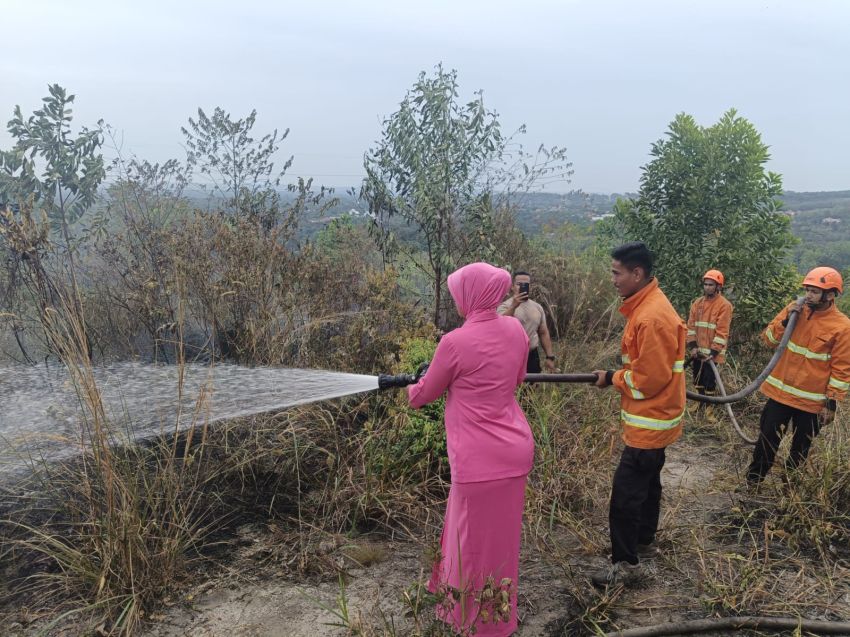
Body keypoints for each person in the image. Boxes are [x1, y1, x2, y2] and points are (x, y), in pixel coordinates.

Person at [408, 262, 534, 636]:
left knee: (470, 542)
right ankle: (489, 614)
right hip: (514, 453)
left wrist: (414, 384)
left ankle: (473, 622)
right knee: (498, 543)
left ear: (470, 295)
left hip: (477, 461)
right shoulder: (514, 329)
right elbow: (518, 378)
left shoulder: (454, 342)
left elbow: (421, 396)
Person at [590, 242, 686, 588]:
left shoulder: (651, 317)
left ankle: (625, 563)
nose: (612, 279)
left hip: (650, 422)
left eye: (616, 273)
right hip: (656, 420)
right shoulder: (646, 307)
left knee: (625, 497)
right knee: (648, 485)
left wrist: (613, 378)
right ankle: (644, 539)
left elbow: (649, 380)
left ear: (637, 273)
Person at [746, 267, 850, 486]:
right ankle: (752, 483)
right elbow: (768, 340)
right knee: (766, 440)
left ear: (830, 295)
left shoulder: (842, 326)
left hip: (811, 403)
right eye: (807, 290)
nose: (808, 295)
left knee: (800, 449)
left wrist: (831, 404)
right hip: (780, 395)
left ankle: (790, 489)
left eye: (815, 291)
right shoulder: (794, 310)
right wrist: (786, 321)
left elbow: (842, 369)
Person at [686, 269, 734, 421]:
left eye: (711, 285)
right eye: (705, 284)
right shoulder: (697, 303)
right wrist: (693, 346)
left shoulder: (724, 306)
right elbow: (691, 326)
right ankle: (698, 402)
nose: (707, 287)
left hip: (712, 355)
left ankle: (709, 408)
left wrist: (713, 352)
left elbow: (722, 332)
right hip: (698, 352)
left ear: (718, 286)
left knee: (709, 381)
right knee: (697, 378)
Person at [498, 271, 556, 373]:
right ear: (512, 287)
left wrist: (549, 357)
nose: (523, 287)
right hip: (510, 356)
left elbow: (543, 332)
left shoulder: (537, 307)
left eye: (526, 284)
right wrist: (513, 306)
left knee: (533, 383)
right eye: (519, 284)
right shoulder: (504, 306)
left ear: (530, 287)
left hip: (532, 356)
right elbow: (498, 327)